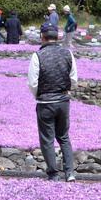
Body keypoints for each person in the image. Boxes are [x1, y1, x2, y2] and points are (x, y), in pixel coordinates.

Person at [28, 25, 77, 181]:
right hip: (63, 101)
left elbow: (32, 82)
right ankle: (69, 173)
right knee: (63, 136)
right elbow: (74, 79)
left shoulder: (38, 55)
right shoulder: (67, 53)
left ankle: (53, 174)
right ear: (58, 37)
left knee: (47, 139)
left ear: (42, 36)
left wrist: (39, 95)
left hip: (45, 103)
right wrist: (66, 91)